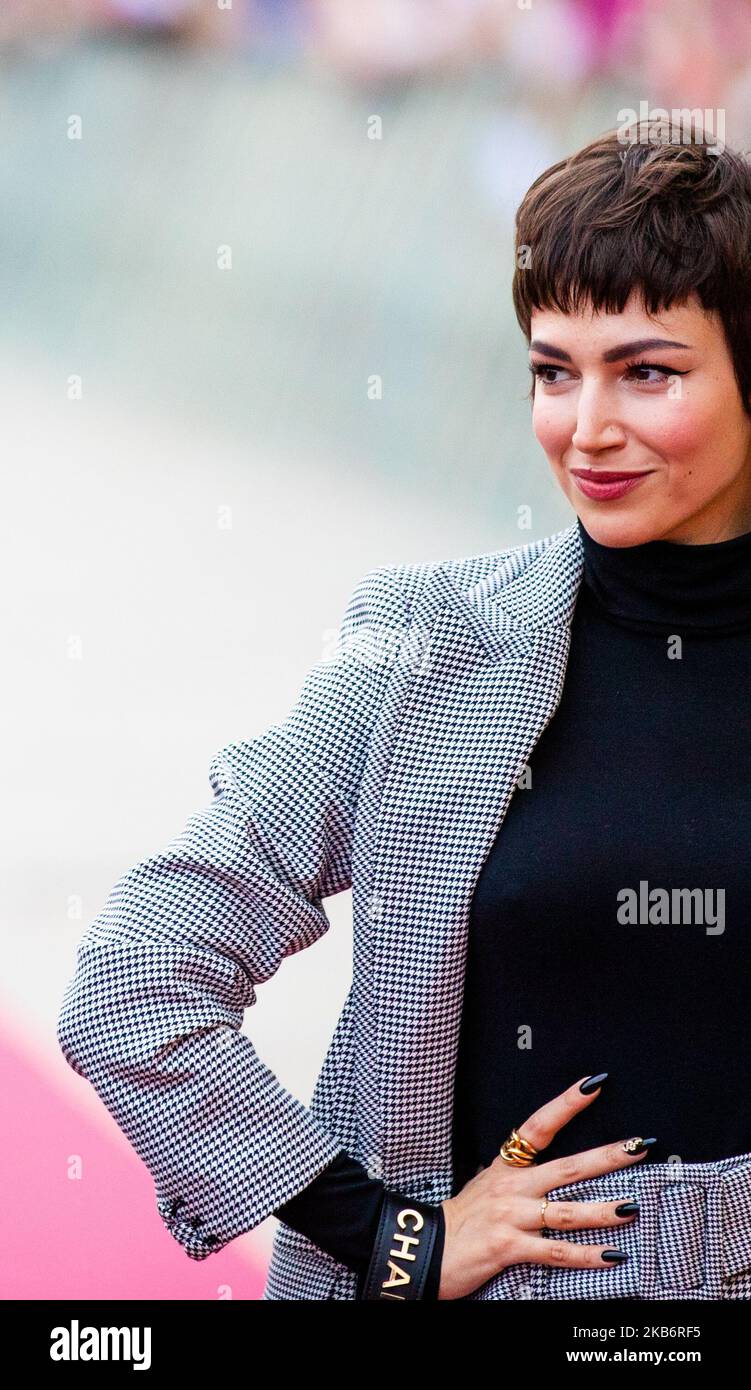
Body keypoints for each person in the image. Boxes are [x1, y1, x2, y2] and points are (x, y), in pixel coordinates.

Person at [57, 115, 751, 1300]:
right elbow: (139, 973)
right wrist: (388, 1234)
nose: (583, 428)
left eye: (646, 371)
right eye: (551, 370)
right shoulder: (427, 644)